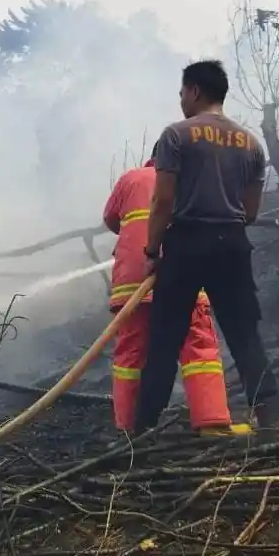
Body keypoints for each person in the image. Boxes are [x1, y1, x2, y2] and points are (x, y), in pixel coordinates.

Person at [134, 60, 278, 434]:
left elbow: (162, 202)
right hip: (232, 244)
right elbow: (250, 211)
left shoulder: (176, 136)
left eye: (183, 92)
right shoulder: (252, 144)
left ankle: (143, 431)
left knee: (165, 338)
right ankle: (270, 422)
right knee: (245, 334)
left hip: (186, 243)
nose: (181, 99)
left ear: (195, 90)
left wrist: (151, 252)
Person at [103, 152, 242, 435]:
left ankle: (128, 430)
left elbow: (111, 220)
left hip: (132, 280)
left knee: (131, 352)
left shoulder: (130, 179)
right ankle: (212, 423)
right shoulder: (191, 181)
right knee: (197, 345)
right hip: (184, 273)